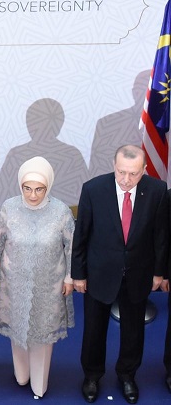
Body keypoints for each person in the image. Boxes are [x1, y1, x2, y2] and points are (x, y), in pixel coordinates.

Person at [72, 145, 169, 404]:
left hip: (139, 273)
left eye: (134, 174)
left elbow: (161, 236)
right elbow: (80, 236)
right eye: (121, 172)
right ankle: (92, 376)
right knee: (93, 329)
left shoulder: (158, 191)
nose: (126, 180)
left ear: (144, 170)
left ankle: (127, 375)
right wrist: (78, 274)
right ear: (113, 165)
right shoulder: (93, 189)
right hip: (99, 274)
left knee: (134, 330)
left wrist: (160, 272)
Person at [0, 156, 75, 398]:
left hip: (48, 284)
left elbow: (71, 247)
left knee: (41, 333)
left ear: (48, 186)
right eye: (27, 188)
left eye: (39, 189)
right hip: (14, 282)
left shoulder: (61, 211)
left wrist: (70, 276)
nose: (32, 195)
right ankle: (22, 374)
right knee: (18, 329)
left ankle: (39, 382)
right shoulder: (9, 208)